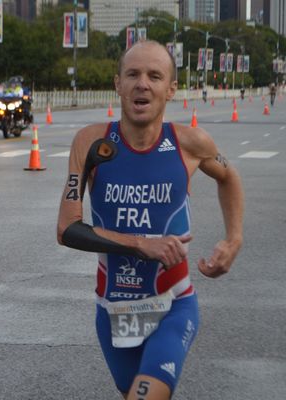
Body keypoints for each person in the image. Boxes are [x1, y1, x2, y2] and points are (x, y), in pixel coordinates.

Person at [57, 40, 243, 400]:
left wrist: (233, 240)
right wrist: (141, 244)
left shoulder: (190, 143)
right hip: (113, 312)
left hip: (174, 306)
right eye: (133, 74)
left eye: (154, 76)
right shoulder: (92, 143)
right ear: (118, 84)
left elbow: (229, 177)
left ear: (170, 89)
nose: (142, 83)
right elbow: (67, 228)